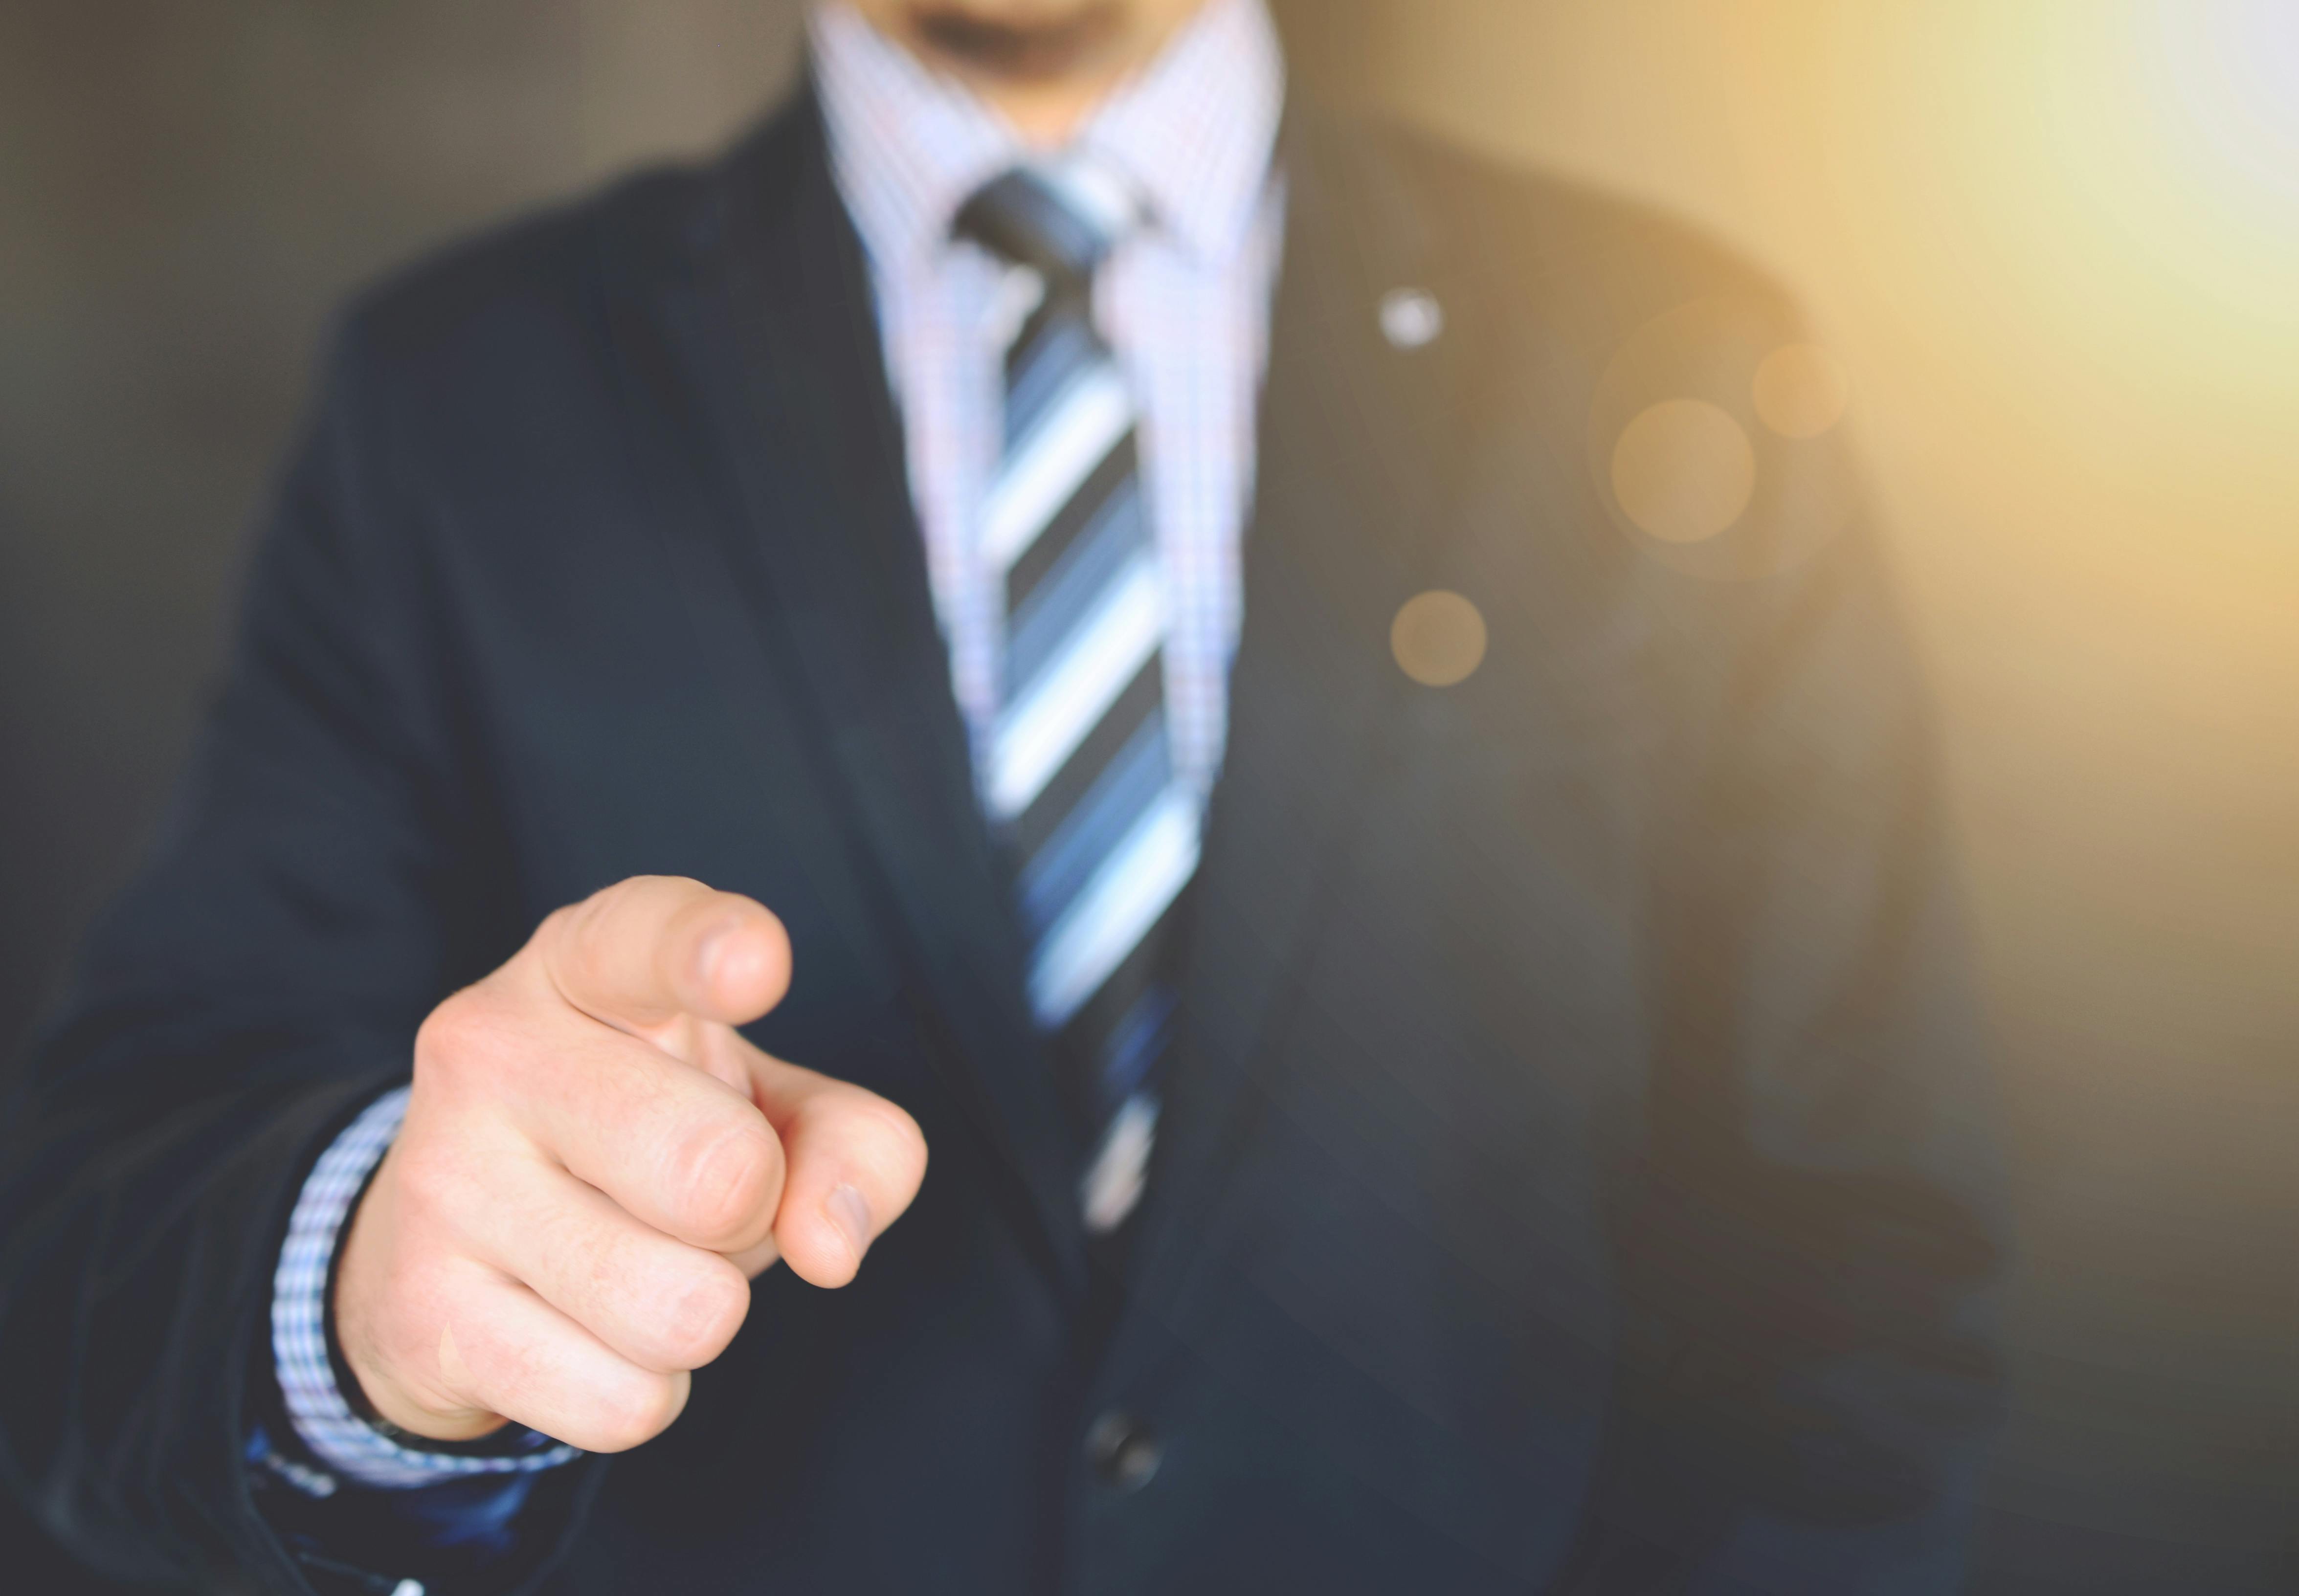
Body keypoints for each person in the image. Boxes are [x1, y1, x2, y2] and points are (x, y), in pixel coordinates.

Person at [0, 1, 2009, 1592]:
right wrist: (369, 1280)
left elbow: (1858, 1257)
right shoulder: (459, 400)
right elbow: (97, 1246)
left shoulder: (1667, 350)